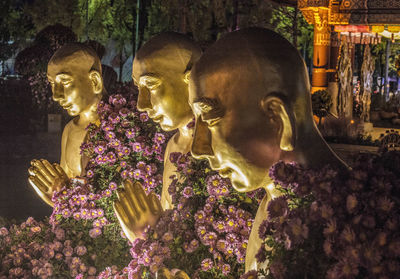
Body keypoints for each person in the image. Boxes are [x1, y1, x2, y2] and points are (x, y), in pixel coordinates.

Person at [188, 28, 346, 272]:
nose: (198, 148)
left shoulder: (348, 229)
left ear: (277, 117)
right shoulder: (273, 205)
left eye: (209, 119)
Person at [113, 32, 202, 241]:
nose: (141, 104)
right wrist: (148, 238)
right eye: (138, 89)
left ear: (192, 79)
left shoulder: (218, 150)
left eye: (151, 85)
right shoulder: (174, 145)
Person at [28, 43, 106, 206]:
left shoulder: (118, 128)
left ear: (94, 80)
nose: (56, 95)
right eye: (52, 83)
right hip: (82, 222)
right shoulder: (70, 129)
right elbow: (66, 184)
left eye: (65, 82)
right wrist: (57, 198)